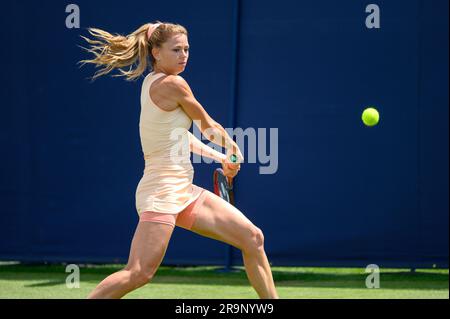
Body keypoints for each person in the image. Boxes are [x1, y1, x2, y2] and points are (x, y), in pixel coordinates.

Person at [79, 21, 279, 299]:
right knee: (139, 272)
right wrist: (234, 149)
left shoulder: (151, 82)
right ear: (156, 52)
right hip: (161, 192)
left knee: (253, 237)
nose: (184, 55)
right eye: (176, 49)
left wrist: (220, 156)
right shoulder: (173, 84)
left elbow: (180, 136)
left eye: (186, 49)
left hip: (183, 191)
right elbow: (208, 126)